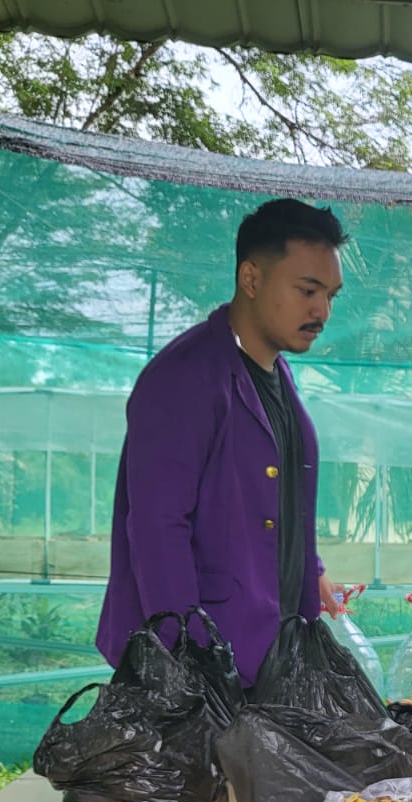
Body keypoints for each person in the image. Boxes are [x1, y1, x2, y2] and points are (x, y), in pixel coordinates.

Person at [96, 198, 348, 687]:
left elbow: (274, 495)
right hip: (204, 663)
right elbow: (157, 528)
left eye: (331, 295)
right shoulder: (185, 376)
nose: (321, 311)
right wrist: (189, 659)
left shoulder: (275, 373)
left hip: (269, 653)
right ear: (251, 279)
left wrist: (309, 569)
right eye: (307, 290)